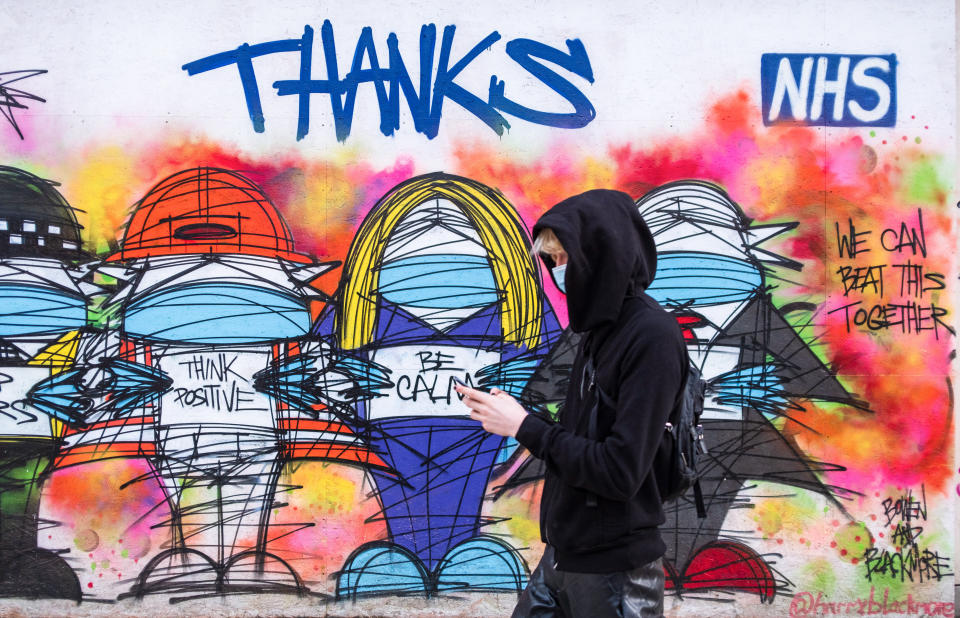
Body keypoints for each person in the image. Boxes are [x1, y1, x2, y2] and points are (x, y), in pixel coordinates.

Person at [455, 189, 687, 617]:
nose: (559, 272)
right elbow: (580, 439)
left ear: (604, 255)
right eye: (554, 261)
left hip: (616, 572)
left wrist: (525, 427)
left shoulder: (651, 337)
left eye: (565, 259)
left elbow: (620, 470)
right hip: (564, 555)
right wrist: (513, 414)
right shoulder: (596, 333)